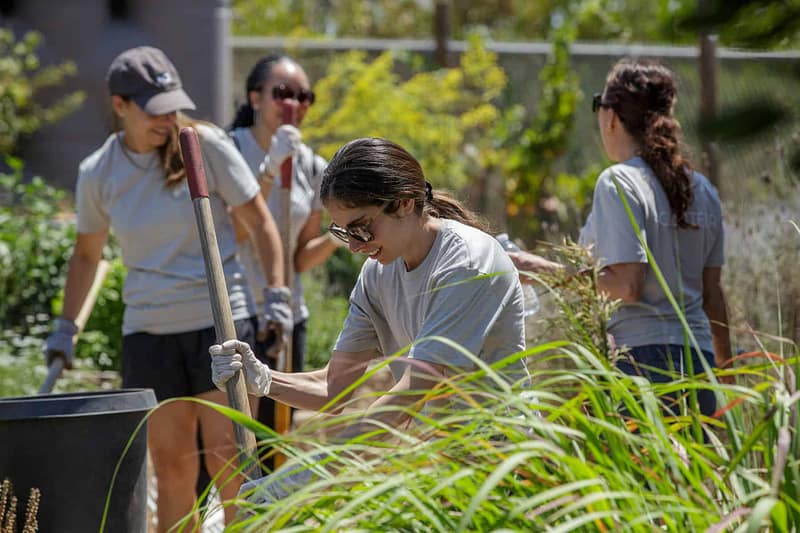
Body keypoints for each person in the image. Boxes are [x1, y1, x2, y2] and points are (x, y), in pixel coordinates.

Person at [42, 46, 290, 530]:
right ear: (120, 106)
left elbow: (260, 224)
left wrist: (276, 297)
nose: (168, 118)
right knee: (173, 469)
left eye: (172, 105)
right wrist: (65, 327)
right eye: (154, 110)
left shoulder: (203, 147)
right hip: (149, 331)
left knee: (231, 459)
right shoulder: (98, 172)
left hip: (219, 323)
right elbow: (87, 255)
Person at [209, 137, 530, 504]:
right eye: (343, 232)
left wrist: (301, 480)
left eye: (361, 228)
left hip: (503, 463)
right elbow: (335, 389)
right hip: (445, 463)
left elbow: (411, 391)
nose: (355, 245)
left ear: (405, 203)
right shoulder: (377, 275)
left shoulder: (467, 263)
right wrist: (264, 380)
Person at [509, 59, 731, 418]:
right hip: (700, 363)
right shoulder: (703, 189)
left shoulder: (618, 182)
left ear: (610, 116)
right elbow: (713, 295)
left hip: (643, 363)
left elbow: (626, 286)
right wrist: (727, 369)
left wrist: (537, 268)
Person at [228, 54, 343, 431]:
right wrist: (269, 169)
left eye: (303, 96)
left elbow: (300, 259)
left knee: (276, 432)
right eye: (281, 93)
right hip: (238, 311)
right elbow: (233, 234)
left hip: (287, 315)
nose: (293, 105)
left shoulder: (310, 165)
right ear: (255, 97)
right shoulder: (228, 152)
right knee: (234, 432)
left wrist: (341, 235)